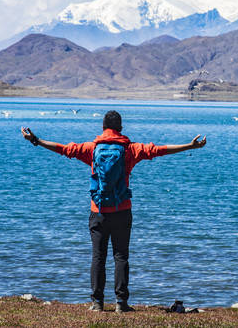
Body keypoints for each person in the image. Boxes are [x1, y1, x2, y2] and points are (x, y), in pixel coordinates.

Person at [20, 110, 206, 313]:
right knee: (121, 257)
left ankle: (97, 303)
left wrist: (35, 140)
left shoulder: (92, 149)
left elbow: (64, 149)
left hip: (98, 211)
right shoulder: (131, 149)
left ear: (102, 128)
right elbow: (159, 150)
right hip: (122, 211)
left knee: (98, 257)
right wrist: (190, 146)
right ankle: (121, 303)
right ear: (121, 128)